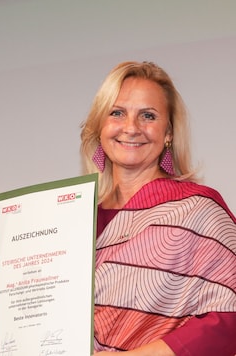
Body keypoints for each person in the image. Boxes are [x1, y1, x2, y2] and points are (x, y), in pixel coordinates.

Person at [80, 61, 236, 355]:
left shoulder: (197, 210)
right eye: (116, 113)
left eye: (148, 116)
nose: (131, 128)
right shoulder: (74, 221)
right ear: (99, 126)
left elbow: (228, 318)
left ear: (168, 133)